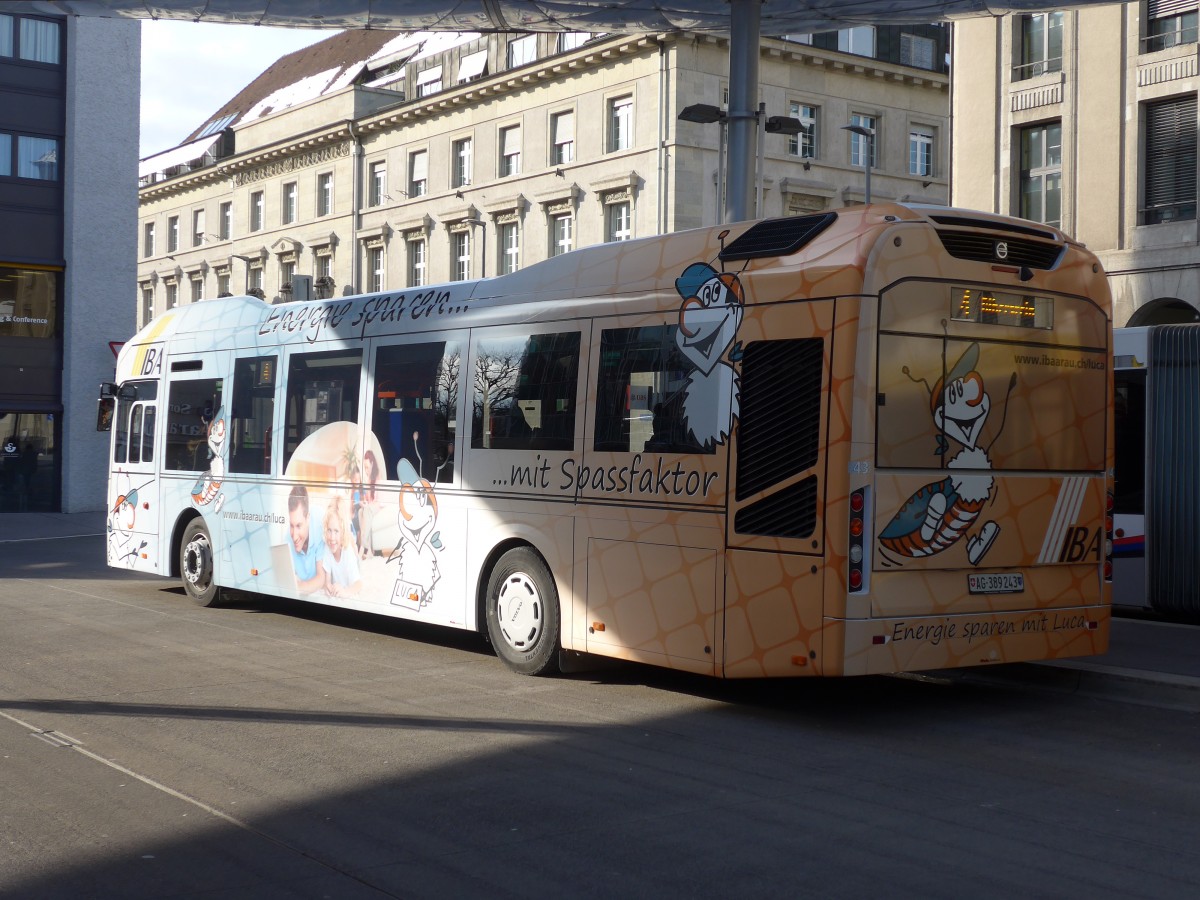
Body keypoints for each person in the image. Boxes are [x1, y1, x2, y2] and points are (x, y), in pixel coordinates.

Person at [287, 484, 326, 593]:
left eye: (299, 526)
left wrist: (297, 588)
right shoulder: (287, 538)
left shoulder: (320, 524)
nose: (294, 536)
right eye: (291, 525)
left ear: (308, 518)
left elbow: (321, 578)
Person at [322, 495, 362, 598]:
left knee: (354, 553)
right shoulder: (327, 547)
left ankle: (356, 549)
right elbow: (327, 581)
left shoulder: (347, 551)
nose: (332, 537)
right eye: (329, 530)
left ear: (342, 531)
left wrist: (345, 591)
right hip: (342, 546)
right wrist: (328, 586)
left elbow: (358, 584)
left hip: (350, 551)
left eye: (336, 531)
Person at [353, 450, 380, 559]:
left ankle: (363, 547)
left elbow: (378, 501)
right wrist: (365, 503)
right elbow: (369, 500)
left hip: (378, 506)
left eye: (367, 467)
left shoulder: (378, 478)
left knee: (367, 510)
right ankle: (367, 548)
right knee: (360, 511)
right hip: (371, 506)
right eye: (364, 468)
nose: (366, 470)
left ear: (372, 464)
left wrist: (368, 505)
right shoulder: (369, 480)